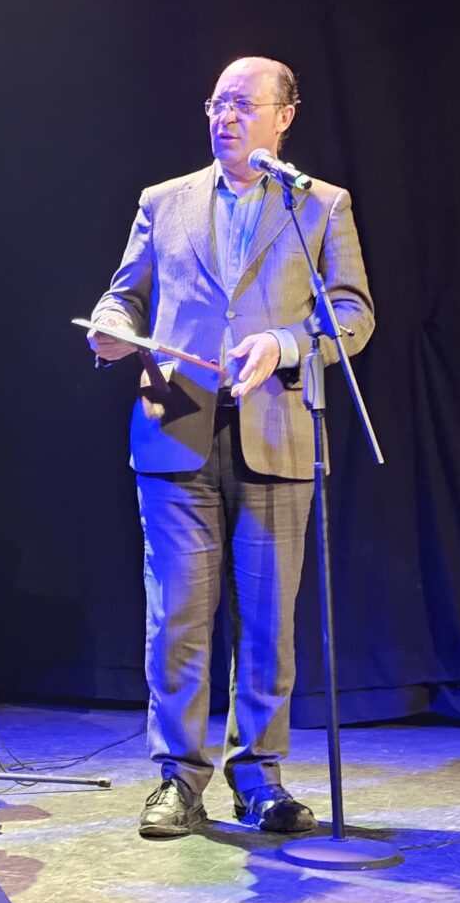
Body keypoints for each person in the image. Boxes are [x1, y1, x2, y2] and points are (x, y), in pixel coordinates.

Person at [85, 56, 374, 838]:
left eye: (244, 104)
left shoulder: (319, 206)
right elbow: (125, 291)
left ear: (286, 116)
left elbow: (352, 313)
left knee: (268, 621)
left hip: (276, 430)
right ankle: (179, 778)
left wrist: (283, 344)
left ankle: (261, 778)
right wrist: (112, 325)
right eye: (216, 103)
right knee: (177, 614)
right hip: (175, 428)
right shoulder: (164, 201)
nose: (225, 117)